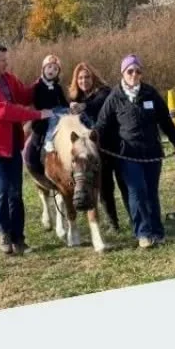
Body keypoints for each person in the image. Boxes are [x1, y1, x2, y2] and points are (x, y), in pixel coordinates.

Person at [0, 42, 53, 256]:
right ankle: (3, 232)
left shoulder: (7, 79)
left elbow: (25, 95)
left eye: (6, 60)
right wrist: (36, 115)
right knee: (2, 188)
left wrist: (45, 79)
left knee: (16, 192)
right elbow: (1, 111)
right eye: (3, 61)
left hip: (13, 144)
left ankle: (19, 238)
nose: (7, 64)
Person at [93, 54, 175, 249]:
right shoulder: (115, 97)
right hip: (127, 155)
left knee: (151, 192)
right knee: (137, 191)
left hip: (152, 152)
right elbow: (102, 124)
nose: (134, 74)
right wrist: (94, 142)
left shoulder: (150, 93)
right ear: (123, 73)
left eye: (138, 71)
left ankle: (157, 232)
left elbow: (165, 121)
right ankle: (143, 233)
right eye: (130, 71)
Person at [67, 60, 122, 230]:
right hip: (93, 153)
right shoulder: (76, 98)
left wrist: (83, 106)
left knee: (125, 185)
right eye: (80, 78)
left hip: (112, 147)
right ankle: (113, 222)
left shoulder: (104, 92)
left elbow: (99, 102)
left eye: (87, 77)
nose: (84, 81)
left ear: (93, 77)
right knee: (104, 189)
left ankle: (137, 219)